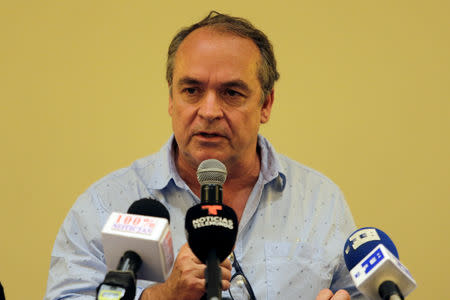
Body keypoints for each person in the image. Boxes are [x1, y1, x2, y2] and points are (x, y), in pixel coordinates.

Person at [45, 11, 364, 300]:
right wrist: (162, 297)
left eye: (231, 93)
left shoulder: (321, 201)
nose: (209, 111)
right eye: (192, 90)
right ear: (171, 99)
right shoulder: (105, 203)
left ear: (266, 104)